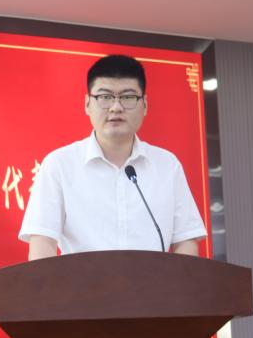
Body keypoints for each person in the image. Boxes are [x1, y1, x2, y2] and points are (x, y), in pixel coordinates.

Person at [19, 54, 207, 260]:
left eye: (128, 97)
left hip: (154, 282)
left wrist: (176, 280)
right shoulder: (59, 165)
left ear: (145, 104)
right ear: (87, 104)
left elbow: (186, 240)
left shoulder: (167, 165)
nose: (116, 107)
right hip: (81, 282)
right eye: (105, 97)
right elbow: (42, 243)